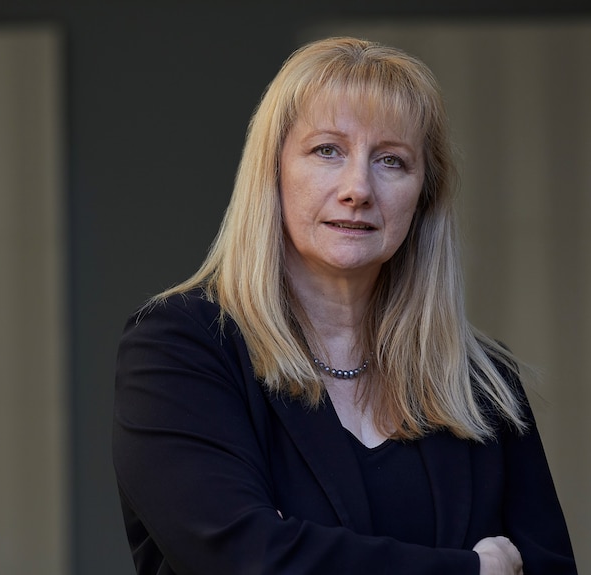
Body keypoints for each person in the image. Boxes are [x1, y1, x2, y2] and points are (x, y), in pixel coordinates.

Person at [112, 37, 577, 575]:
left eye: (391, 161)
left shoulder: (482, 383)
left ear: (424, 195)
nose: (358, 188)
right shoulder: (179, 350)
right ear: (274, 173)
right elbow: (246, 559)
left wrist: (303, 545)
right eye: (327, 150)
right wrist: (472, 568)